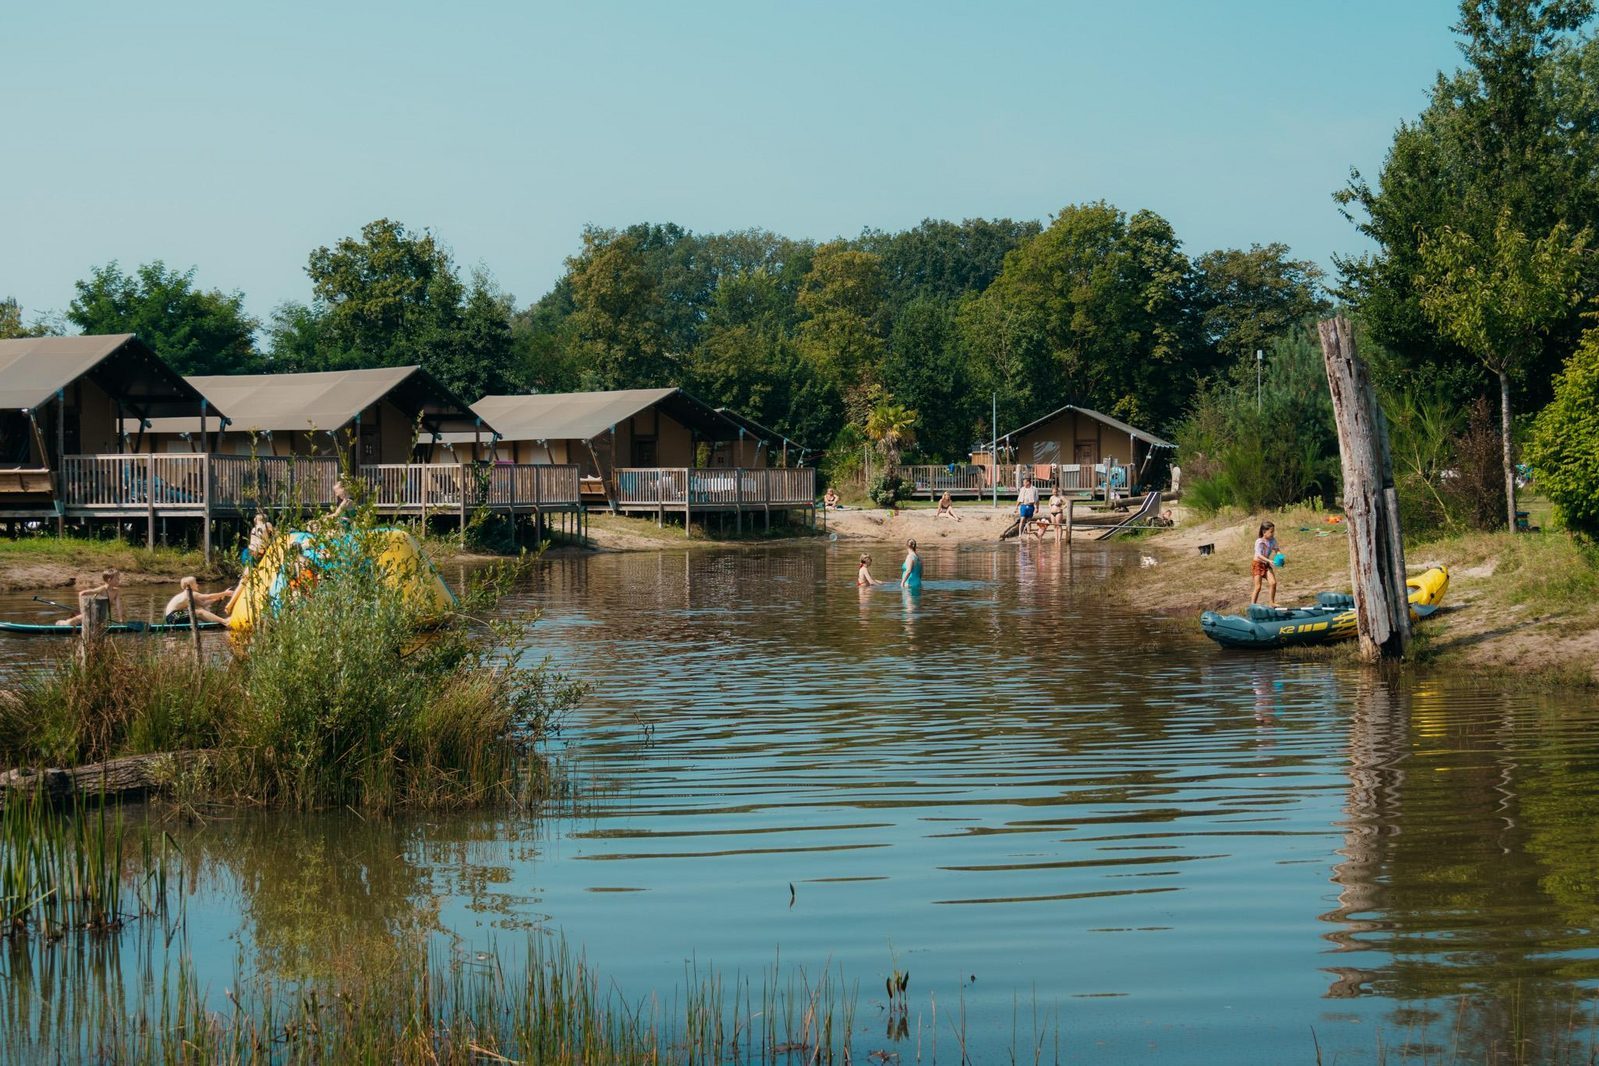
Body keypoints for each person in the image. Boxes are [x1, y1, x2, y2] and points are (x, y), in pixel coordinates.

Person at [56, 568, 124, 626]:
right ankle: (62, 622)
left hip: (101, 615)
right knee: (70, 623)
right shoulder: (101, 589)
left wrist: (121, 620)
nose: (119, 580)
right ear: (109, 580)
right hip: (89, 613)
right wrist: (83, 610)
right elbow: (81, 593)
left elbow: (119, 607)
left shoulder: (116, 591)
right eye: (117, 578)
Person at [163, 576, 235, 627]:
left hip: (173, 617)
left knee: (199, 608)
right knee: (199, 612)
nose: (197, 585)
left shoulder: (190, 594)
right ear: (190, 585)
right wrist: (225, 593)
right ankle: (224, 621)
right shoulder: (190, 593)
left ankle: (215, 622)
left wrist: (216, 599)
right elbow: (208, 596)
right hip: (173, 617)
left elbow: (203, 604)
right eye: (195, 583)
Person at [1251, 521, 1280, 607]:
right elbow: (1259, 555)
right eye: (1271, 532)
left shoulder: (1273, 540)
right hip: (1257, 564)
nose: (1272, 533)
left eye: (1273, 531)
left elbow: (1277, 549)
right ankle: (1253, 606)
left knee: (1273, 583)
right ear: (1264, 532)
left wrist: (1280, 556)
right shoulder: (1259, 541)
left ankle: (1272, 602)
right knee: (1258, 587)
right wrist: (1269, 561)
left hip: (1266, 565)